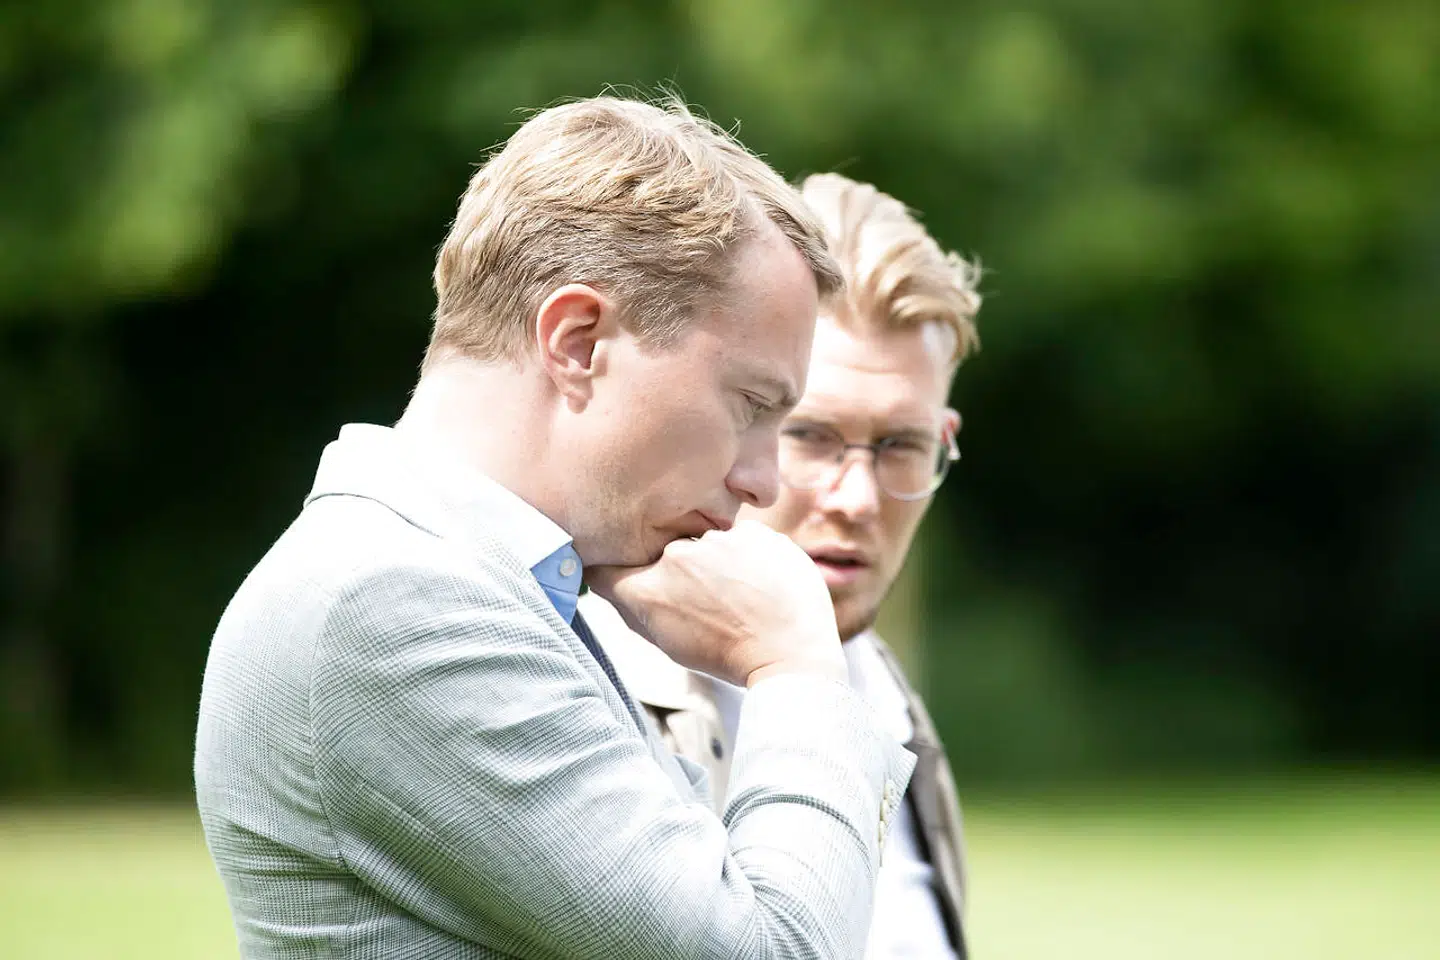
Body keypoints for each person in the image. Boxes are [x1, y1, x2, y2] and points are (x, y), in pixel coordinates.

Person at [194, 98, 917, 959]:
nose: (763, 481)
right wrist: (797, 668)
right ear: (576, 342)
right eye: (751, 405)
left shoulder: (481, 585)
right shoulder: (391, 604)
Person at [583, 172, 982, 959]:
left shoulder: (888, 705)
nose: (859, 498)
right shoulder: (583, 691)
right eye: (811, 436)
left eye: (902, 445)